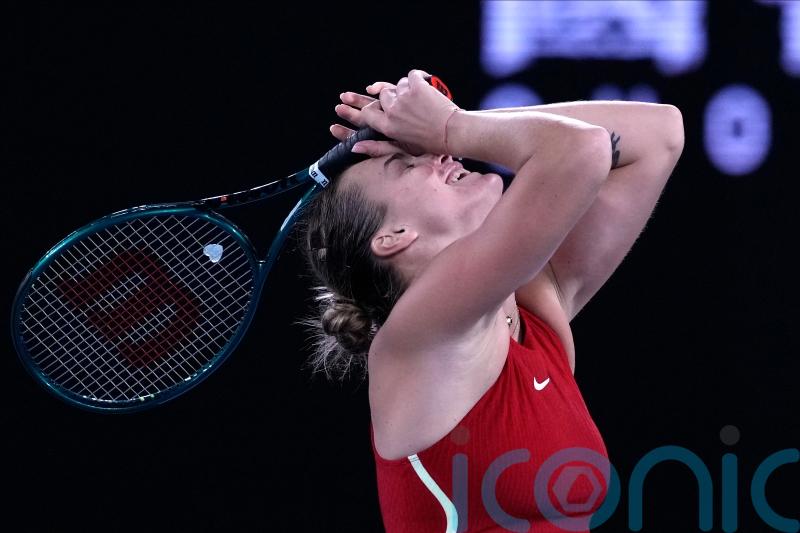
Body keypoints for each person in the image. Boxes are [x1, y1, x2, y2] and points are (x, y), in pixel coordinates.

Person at [297, 69, 684, 532]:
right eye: (406, 165)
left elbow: (660, 135)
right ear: (394, 237)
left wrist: (444, 126)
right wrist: (448, 126)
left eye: (422, 151)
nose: (439, 156)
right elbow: (583, 151)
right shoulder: (418, 334)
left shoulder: (532, 310)